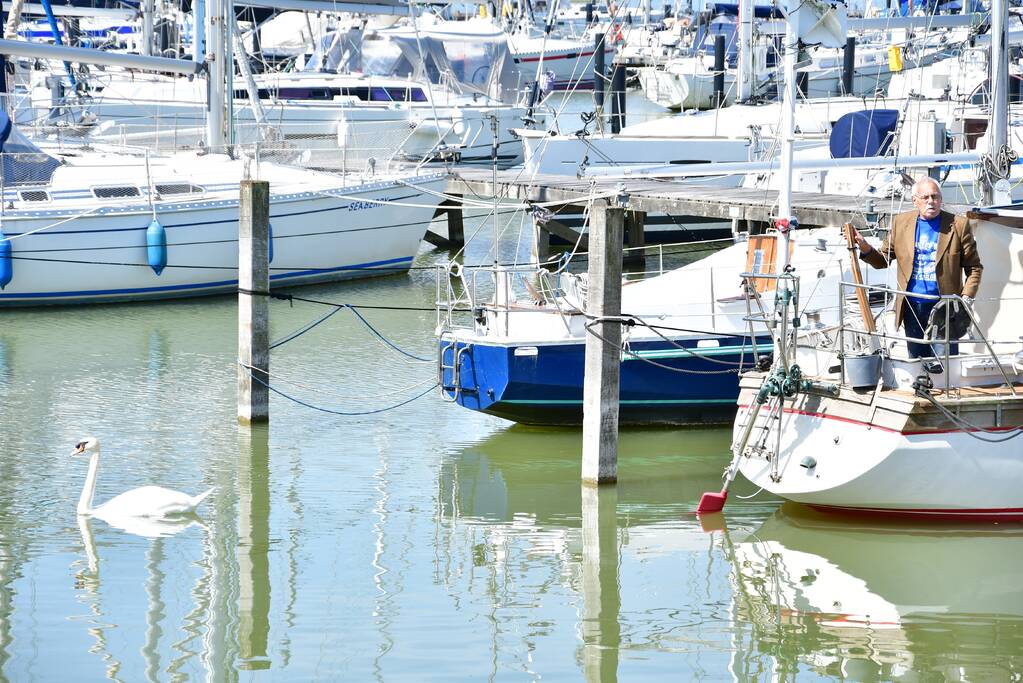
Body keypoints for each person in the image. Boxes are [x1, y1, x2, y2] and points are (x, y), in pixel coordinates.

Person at [854, 177, 983, 362]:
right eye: (925, 197)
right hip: (912, 305)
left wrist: (964, 299)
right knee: (916, 361)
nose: (931, 201)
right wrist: (865, 247)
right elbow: (883, 260)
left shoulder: (959, 225)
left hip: (944, 307)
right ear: (915, 200)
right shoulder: (901, 222)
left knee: (944, 364)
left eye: (935, 196)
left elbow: (974, 267)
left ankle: (944, 390)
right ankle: (921, 390)